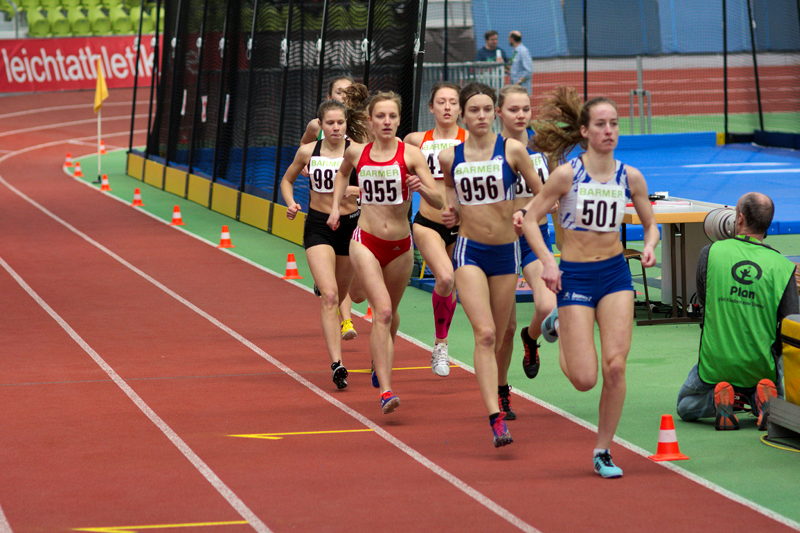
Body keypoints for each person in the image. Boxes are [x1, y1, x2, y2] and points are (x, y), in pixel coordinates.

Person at [520, 86, 659, 477]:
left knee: (616, 366)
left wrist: (649, 246)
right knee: (584, 379)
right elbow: (530, 218)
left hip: (615, 275)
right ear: (585, 131)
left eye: (614, 124)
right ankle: (560, 325)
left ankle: (602, 450)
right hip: (576, 276)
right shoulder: (566, 175)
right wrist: (548, 261)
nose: (609, 131)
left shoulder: (630, 176)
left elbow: (651, 226)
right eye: (600, 124)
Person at [439, 82, 541, 447]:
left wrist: (525, 212)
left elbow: (540, 193)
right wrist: (450, 213)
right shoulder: (452, 156)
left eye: (486, 109)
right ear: (464, 117)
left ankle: (502, 384)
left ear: (493, 113)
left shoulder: (512, 150)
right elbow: (450, 196)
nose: (481, 116)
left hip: (505, 253)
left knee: (503, 333)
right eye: (474, 111)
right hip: (469, 252)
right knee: (484, 333)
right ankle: (495, 416)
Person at [328, 91, 442, 414]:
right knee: (383, 312)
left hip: (401, 247)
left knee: (390, 315)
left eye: (392, 117)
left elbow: (439, 200)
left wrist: (424, 189)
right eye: (381, 116)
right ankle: (386, 391)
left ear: (398, 120)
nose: (387, 122)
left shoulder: (412, 155)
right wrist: (336, 207)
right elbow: (341, 174)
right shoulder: (357, 153)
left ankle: (379, 360)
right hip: (365, 240)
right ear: (370, 120)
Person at [677, 192, 798, 430]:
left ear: (740, 219)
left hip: (717, 363)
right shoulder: (784, 267)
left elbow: (704, 303)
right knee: (779, 395)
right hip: (760, 364)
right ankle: (763, 402)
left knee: (686, 406)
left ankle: (731, 400)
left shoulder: (709, 253)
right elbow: (790, 322)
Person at [280, 96, 368, 390]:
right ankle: (337, 364)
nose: (335, 128)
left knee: (348, 294)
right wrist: (291, 203)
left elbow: (373, 186)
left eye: (340, 122)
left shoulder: (356, 152)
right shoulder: (308, 151)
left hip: (350, 225)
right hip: (319, 226)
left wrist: (355, 190)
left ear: (346, 124)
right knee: (330, 296)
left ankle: (327, 283)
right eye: (329, 123)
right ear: (321, 125)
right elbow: (286, 180)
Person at [494, 84, 554, 421]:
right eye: (514, 109)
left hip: (536, 237)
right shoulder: (492, 151)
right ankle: (503, 391)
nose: (521, 115)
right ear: (500, 113)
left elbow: (551, 194)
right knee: (504, 326)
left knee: (546, 306)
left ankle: (531, 340)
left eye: (526, 109)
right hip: (501, 240)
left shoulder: (543, 149)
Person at [404, 82, 467, 377]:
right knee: (444, 278)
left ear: (460, 108)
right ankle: (440, 346)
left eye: (452, 102)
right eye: (441, 102)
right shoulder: (416, 140)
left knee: (465, 288)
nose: (447, 107)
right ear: (431, 107)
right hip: (428, 222)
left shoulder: (472, 140)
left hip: (465, 225)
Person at [299, 76, 365, 341]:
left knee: (358, 291)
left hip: (354, 207)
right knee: (332, 288)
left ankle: (339, 295)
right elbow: (304, 148)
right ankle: (346, 321)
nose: (343, 96)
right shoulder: (317, 126)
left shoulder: (358, 127)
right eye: (339, 92)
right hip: (323, 210)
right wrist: (305, 163)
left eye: (348, 93)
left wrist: (359, 189)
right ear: (329, 95)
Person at [301, 76, 355, 144]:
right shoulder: (316, 125)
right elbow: (304, 145)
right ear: (329, 97)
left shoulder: (365, 126)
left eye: (349, 92)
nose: (344, 96)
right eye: (339, 92)